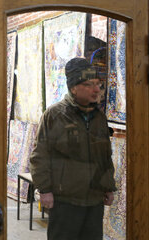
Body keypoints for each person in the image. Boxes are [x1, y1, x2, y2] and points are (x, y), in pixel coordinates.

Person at [29, 58, 117, 240]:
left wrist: (109, 186)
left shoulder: (99, 118)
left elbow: (105, 155)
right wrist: (44, 190)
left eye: (98, 84)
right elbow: (40, 156)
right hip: (65, 202)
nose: (96, 90)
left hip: (94, 201)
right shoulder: (54, 115)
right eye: (89, 84)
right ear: (74, 88)